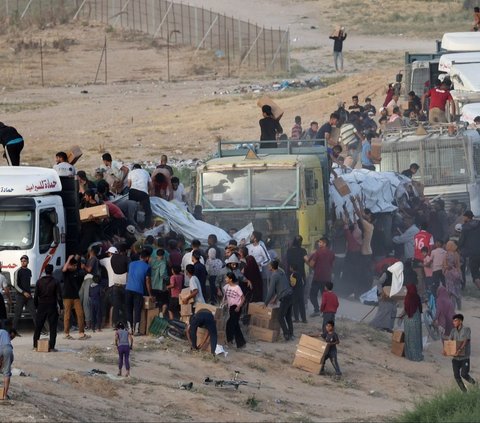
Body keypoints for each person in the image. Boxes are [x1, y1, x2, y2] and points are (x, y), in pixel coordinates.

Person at [33, 265, 63, 352]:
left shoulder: (39, 282)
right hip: (52, 305)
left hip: (41, 305)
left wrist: (36, 306)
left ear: (45, 271)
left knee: (38, 326)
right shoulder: (55, 282)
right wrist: (61, 306)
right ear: (52, 271)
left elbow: (35, 296)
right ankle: (52, 347)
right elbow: (59, 296)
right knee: (53, 327)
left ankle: (35, 345)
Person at [125, 249, 153, 335]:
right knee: (137, 310)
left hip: (128, 288)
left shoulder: (131, 264)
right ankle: (136, 330)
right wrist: (150, 294)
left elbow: (127, 275)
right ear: (147, 258)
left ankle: (129, 329)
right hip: (138, 290)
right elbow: (147, 281)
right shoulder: (147, 267)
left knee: (128, 309)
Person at [264, 260, 294, 341]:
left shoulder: (274, 275)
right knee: (288, 317)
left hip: (285, 297)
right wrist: (276, 298)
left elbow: (270, 292)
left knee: (280, 317)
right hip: (290, 295)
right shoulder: (281, 272)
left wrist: (265, 303)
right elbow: (283, 286)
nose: (268, 266)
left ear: (272, 267)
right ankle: (291, 334)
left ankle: (286, 334)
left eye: (269, 265)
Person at [100, 245, 129, 328]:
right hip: (123, 284)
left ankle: (111, 323)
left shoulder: (107, 260)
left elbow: (99, 261)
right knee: (122, 305)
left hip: (112, 286)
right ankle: (124, 323)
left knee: (111, 305)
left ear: (110, 253)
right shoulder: (123, 259)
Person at [446, 314, 476, 392]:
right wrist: (446, 349)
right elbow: (450, 341)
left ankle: (475, 384)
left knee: (464, 374)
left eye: (455, 320)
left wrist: (460, 349)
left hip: (464, 358)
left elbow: (466, 340)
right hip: (455, 358)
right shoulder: (453, 331)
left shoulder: (467, 329)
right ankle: (464, 391)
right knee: (456, 375)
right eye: (453, 321)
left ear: (461, 321)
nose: (454, 322)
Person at [62, 255, 89, 340]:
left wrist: (75, 260)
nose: (75, 267)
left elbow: (81, 272)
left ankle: (81, 333)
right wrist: (69, 259)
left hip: (75, 296)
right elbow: (64, 269)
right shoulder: (66, 273)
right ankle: (66, 334)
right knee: (67, 316)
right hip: (67, 297)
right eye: (73, 265)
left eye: (75, 266)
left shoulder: (77, 272)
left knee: (80, 314)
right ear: (69, 265)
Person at [308, 237, 335, 317]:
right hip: (327, 277)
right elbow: (332, 264)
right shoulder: (331, 253)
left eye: (320, 242)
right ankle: (325, 312)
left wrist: (308, 258)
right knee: (325, 295)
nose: (318, 244)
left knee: (312, 294)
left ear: (324, 243)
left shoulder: (317, 253)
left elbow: (312, 264)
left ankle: (316, 310)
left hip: (318, 277)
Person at [286, 235, 308, 324]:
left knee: (294, 298)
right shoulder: (303, 251)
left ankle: (296, 318)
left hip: (292, 276)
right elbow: (307, 260)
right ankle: (304, 319)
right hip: (301, 276)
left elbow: (287, 262)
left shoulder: (289, 251)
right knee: (301, 298)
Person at [400, 284, 424, 362]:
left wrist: (400, 316)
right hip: (416, 321)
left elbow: (406, 309)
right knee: (416, 337)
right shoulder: (417, 297)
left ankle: (410, 355)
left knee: (410, 337)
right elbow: (420, 309)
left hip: (409, 321)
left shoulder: (408, 298)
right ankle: (417, 355)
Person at [12, 255, 36, 333]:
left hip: (28, 295)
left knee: (34, 313)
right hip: (20, 295)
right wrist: (23, 292)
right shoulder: (18, 271)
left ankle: (39, 329)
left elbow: (28, 283)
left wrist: (28, 293)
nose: (23, 262)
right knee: (17, 314)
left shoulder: (29, 271)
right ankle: (13, 331)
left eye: (25, 261)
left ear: (28, 262)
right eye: (22, 261)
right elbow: (15, 285)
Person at [223, 272, 246, 349]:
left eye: (226, 278)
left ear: (230, 279)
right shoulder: (226, 287)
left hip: (236, 307)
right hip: (230, 307)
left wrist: (239, 306)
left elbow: (243, 298)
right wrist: (225, 302)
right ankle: (240, 343)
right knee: (235, 325)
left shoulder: (237, 288)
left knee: (230, 324)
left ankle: (230, 340)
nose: (225, 279)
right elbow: (226, 297)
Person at [458, 210, 480, 289]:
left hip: (473, 253)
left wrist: (458, 246)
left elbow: (461, 241)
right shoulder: (479, 223)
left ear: (467, 217)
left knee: (475, 274)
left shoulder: (465, 227)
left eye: (464, 216)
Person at [127, 163, 152, 229]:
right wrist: (147, 192)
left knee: (132, 210)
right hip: (143, 193)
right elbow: (151, 186)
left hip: (133, 192)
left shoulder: (131, 172)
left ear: (134, 168)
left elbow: (129, 185)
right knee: (148, 211)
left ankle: (134, 226)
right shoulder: (146, 172)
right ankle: (147, 227)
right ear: (140, 168)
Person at [444, 240, 462, 310]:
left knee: (450, 291)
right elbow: (458, 265)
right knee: (457, 290)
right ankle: (459, 306)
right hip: (456, 274)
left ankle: (452, 307)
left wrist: (446, 269)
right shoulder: (456, 254)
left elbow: (445, 266)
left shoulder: (446, 255)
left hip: (449, 275)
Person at [150, 248, 169, 316]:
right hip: (160, 285)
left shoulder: (152, 261)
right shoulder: (163, 263)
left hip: (152, 284)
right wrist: (168, 278)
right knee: (163, 301)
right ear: (163, 255)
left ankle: (154, 314)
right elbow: (162, 274)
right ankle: (160, 315)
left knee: (155, 301)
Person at [0, 327, 18, 400]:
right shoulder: (4, 332)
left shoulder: (2, 332)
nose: (12, 339)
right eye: (12, 337)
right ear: (11, 333)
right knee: (7, 373)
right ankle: (4, 395)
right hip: (8, 350)